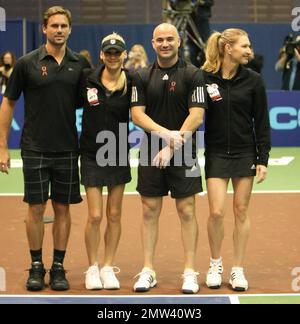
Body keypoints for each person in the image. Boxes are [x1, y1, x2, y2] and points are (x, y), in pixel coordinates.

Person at [0, 6, 90, 291]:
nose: (59, 30)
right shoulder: (27, 63)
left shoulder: (80, 65)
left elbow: (88, 105)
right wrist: (2, 147)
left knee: (63, 208)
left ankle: (59, 267)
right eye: (54, 26)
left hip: (67, 149)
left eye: (64, 26)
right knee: (36, 208)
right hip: (34, 148)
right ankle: (36, 265)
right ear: (44, 29)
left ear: (70, 29)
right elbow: (8, 105)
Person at [131, 23, 207, 294]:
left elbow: (196, 115)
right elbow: (137, 114)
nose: (165, 44)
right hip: (152, 150)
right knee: (149, 211)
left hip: (184, 150)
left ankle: (189, 271)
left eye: (170, 39)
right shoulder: (140, 76)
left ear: (179, 41)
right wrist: (166, 135)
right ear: (152, 43)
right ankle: (148, 270)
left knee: (187, 211)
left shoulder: (193, 74)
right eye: (160, 40)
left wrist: (174, 145)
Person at [202, 28, 271, 291]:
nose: (249, 50)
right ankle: (215, 263)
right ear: (228, 48)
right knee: (216, 211)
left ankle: (238, 269)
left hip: (245, 152)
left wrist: (262, 158)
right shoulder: (205, 78)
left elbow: (262, 122)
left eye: (249, 46)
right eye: (244, 46)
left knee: (241, 211)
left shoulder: (253, 80)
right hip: (216, 153)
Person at [80, 32, 131, 290]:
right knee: (96, 215)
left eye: (117, 53)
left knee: (114, 214)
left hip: (119, 151)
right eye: (108, 53)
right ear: (101, 55)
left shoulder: (131, 83)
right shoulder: (87, 80)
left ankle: (108, 266)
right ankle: (92, 267)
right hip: (91, 152)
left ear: (124, 55)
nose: (112, 57)